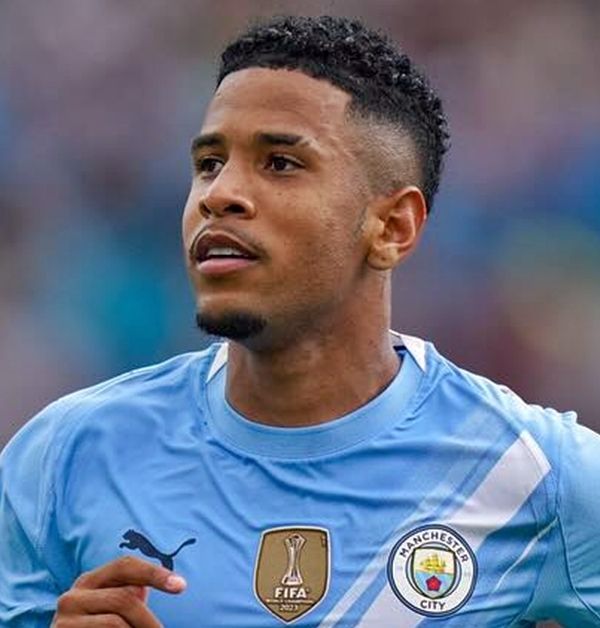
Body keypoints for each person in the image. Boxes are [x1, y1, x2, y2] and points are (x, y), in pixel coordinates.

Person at [1, 14, 599, 628]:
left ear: (393, 228)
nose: (219, 194)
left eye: (280, 163)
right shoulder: (65, 456)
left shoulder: (535, 474)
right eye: (209, 163)